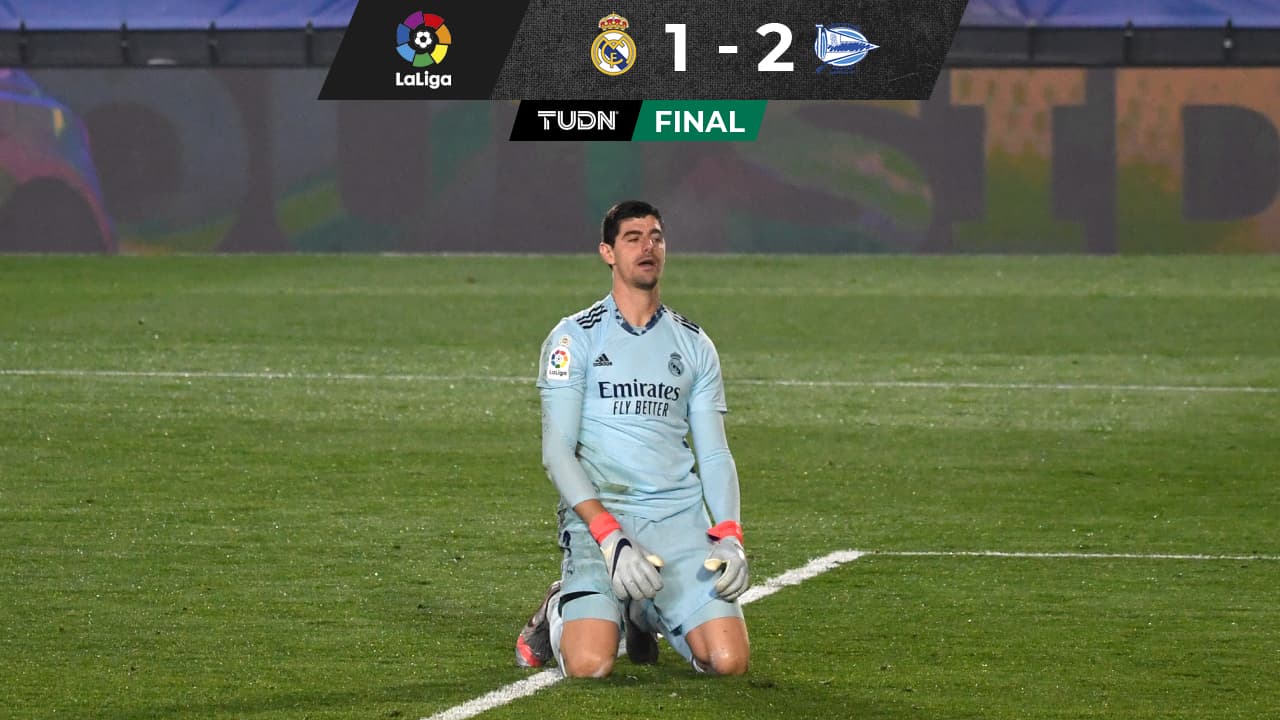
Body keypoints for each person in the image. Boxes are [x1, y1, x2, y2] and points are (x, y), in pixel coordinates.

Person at [513, 200, 751, 678]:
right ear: (608, 252)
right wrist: (610, 538)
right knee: (590, 665)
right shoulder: (573, 339)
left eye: (656, 237)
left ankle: (643, 611)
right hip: (603, 519)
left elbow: (714, 452)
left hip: (678, 520)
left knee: (728, 661)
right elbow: (557, 453)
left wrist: (729, 534)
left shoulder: (694, 344)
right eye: (633, 238)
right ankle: (559, 606)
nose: (648, 247)